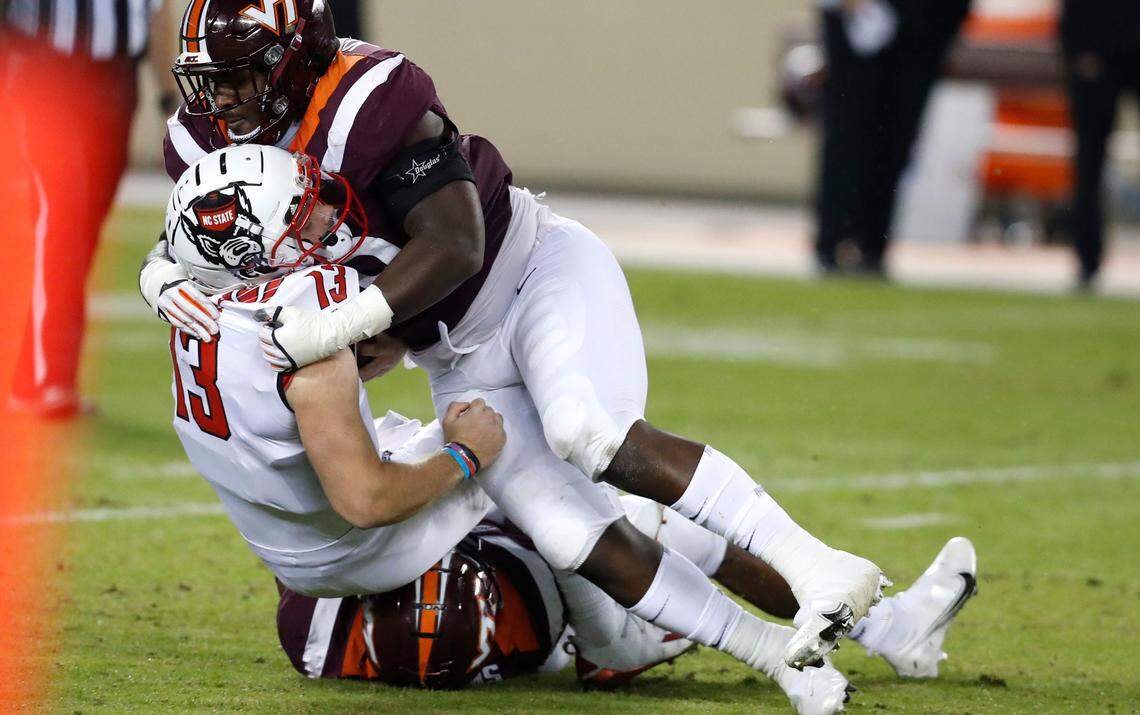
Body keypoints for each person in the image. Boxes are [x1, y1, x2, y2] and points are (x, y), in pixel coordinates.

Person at [143, 0, 889, 677]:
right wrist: (158, 278)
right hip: (454, 352)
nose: (226, 99)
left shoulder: (370, 99)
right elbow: (193, 238)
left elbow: (458, 243)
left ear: (299, 60)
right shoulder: (204, 134)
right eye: (215, 80)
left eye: (244, 76)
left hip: (530, 274)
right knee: (569, 535)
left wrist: (340, 323)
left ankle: (813, 560)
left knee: (588, 431)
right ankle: (800, 653)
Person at [161, 144, 856, 714]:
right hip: (360, 542)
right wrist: (466, 457)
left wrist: (157, 281)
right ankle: (695, 641)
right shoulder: (305, 344)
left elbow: (173, 255)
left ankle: (847, 618)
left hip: (292, 548)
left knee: (560, 464)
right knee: (563, 489)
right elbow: (367, 499)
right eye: (298, 220)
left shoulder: (195, 306)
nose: (320, 225)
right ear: (253, 254)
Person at [276, 464, 979, 691]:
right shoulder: (518, 621)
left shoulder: (314, 626)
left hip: (493, 559)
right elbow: (608, 641)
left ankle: (892, 631)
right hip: (584, 625)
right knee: (658, 526)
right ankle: (890, 629)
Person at [1, 0, 179, 418]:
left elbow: (155, 12)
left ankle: (31, 376)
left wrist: (168, 92)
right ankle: (50, 381)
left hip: (115, 82)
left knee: (81, 232)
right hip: (45, 74)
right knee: (59, 219)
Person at [813, 0, 971, 276]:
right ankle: (835, 238)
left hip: (923, 23)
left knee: (897, 140)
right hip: (860, 16)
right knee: (849, 133)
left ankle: (873, 243)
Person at [1060, 0, 1140, 288]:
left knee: (1089, 160)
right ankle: (1087, 259)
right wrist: (1079, 41)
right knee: (1088, 160)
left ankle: (1087, 259)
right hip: (1098, 41)